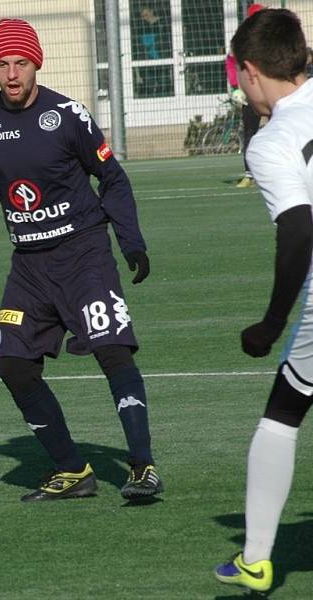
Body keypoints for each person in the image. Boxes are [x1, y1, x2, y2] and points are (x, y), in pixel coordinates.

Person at [0, 18, 162, 503]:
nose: (12, 74)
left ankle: (143, 466)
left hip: (83, 254)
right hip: (30, 266)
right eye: (2, 64)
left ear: (36, 63)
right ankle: (72, 470)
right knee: (13, 363)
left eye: (20, 63)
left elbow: (113, 179)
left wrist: (131, 243)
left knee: (112, 350)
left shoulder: (66, 115)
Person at [214, 8, 313, 594]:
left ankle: (255, 559)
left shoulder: (273, 140)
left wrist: (272, 323)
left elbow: (300, 228)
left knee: (283, 411)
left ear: (250, 71)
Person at [226, 3, 266, 188]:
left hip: (271, 91)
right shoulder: (241, 40)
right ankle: (249, 174)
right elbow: (231, 61)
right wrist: (236, 87)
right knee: (250, 131)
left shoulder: (272, 37)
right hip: (251, 92)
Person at [133, 3, 172, 97]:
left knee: (163, 87)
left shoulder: (163, 25)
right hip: (148, 62)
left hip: (161, 61)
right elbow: (138, 46)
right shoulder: (141, 27)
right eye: (142, 16)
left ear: (152, 12)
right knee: (149, 88)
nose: (144, 18)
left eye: (146, 15)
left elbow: (167, 43)